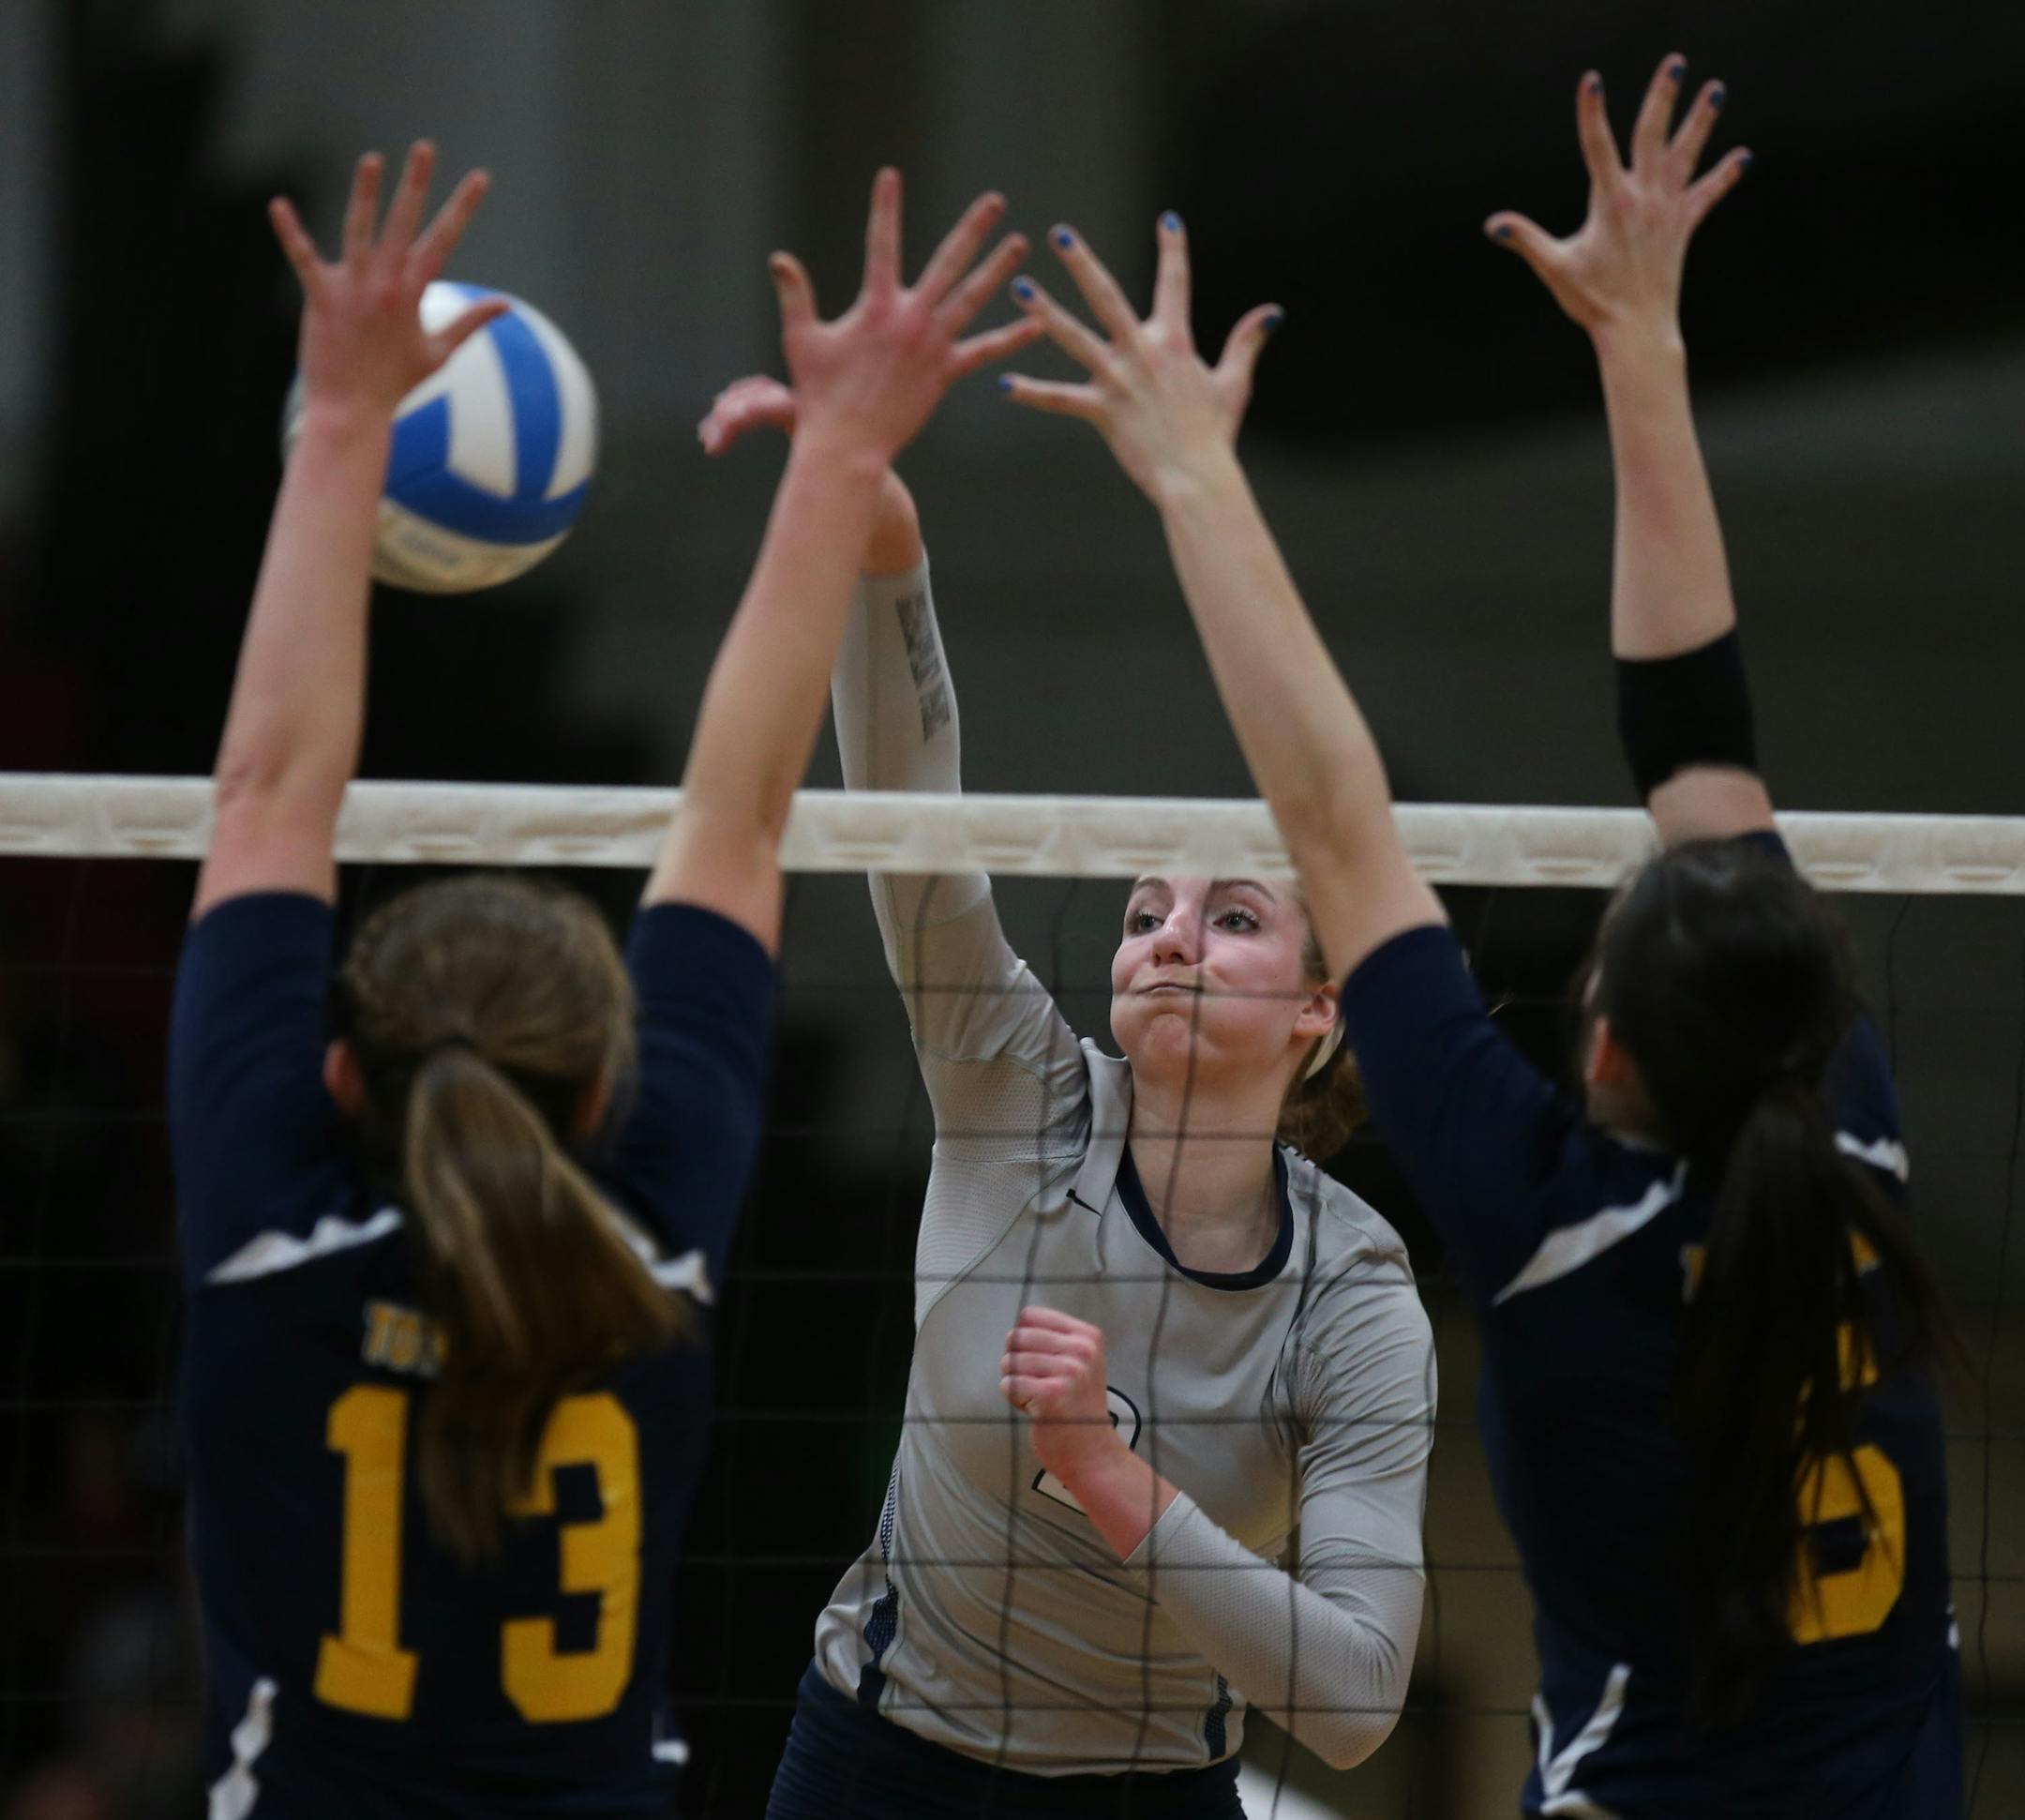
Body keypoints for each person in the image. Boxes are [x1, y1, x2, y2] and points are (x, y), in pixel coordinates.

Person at [1003, 53, 1960, 1819]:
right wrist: (1644, 343)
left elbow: (1335, 816)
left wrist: (1197, 470)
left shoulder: (1550, 1226)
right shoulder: (1848, 1129)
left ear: (1599, 1051)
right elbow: (1688, 751)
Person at [171, 144, 1036, 1817]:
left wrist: (338, 421)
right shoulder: (649, 1256)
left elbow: (271, 786)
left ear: (339, 1077)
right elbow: (743, 811)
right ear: (606, 1087)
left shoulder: (282, 1237)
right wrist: (842, 458)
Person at [704, 352, 1434, 1820]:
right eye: (1146, 908)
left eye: (1232, 917)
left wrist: (1118, 1487)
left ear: (1319, 1005)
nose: (1171, 933)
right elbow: (914, 821)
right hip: (885, 1755)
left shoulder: (1355, 1290)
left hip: (1152, 1788)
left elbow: (1355, 1701)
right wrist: (888, 544)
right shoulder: (1016, 1090)